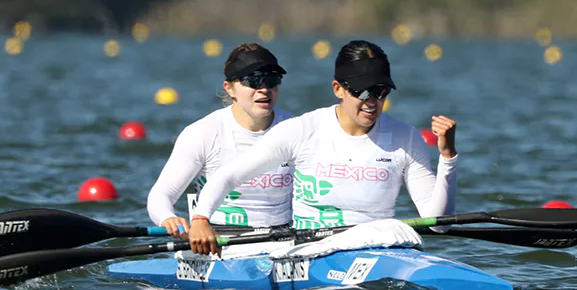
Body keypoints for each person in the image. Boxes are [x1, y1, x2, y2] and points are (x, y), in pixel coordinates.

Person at [188, 39, 457, 255]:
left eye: (380, 91)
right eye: (362, 92)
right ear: (338, 89)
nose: (372, 101)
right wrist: (200, 219)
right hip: (312, 251)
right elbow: (228, 176)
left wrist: (447, 156)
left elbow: (439, 223)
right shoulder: (303, 130)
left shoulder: (405, 138)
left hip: (379, 246)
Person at [146, 43, 294, 239]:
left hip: (284, 240)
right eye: (253, 81)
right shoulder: (203, 133)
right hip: (219, 242)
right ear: (230, 88)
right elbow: (161, 195)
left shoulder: (296, 129)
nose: (264, 89)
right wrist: (168, 218)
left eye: (272, 79)